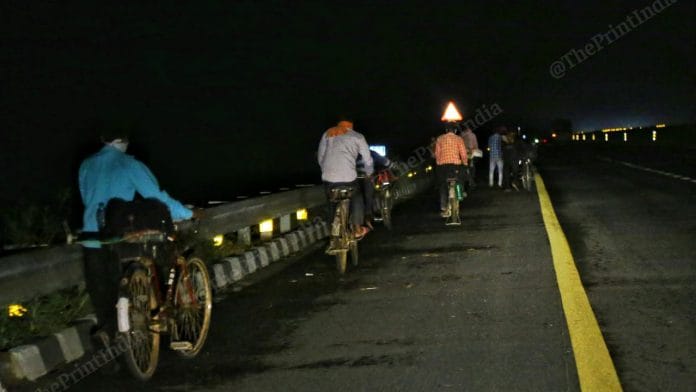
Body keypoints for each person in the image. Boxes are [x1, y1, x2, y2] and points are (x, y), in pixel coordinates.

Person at [79, 129, 193, 346]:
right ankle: (154, 315)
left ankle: (107, 335)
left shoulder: (86, 165)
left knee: (103, 297)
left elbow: (88, 198)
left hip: (91, 238)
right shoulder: (129, 164)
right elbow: (157, 198)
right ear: (125, 139)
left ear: (103, 139)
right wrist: (186, 213)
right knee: (148, 271)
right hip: (120, 238)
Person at [317, 119, 373, 239]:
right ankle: (357, 229)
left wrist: (326, 170)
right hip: (348, 178)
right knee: (357, 196)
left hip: (328, 177)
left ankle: (332, 228)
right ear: (351, 126)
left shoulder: (327, 133)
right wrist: (369, 173)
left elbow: (320, 156)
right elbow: (367, 159)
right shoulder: (357, 137)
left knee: (331, 200)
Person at [434, 123, 468, 217]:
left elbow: (437, 154)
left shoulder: (440, 139)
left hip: (443, 166)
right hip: (455, 166)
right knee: (459, 179)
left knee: (443, 185)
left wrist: (438, 163)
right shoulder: (459, 139)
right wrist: (465, 163)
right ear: (455, 131)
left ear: (446, 130)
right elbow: (463, 154)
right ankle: (460, 194)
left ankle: (444, 206)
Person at [357, 149, 392, 226]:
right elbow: (384, 161)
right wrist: (391, 164)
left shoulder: (350, 153)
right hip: (366, 178)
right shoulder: (370, 152)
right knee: (369, 195)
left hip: (352, 179)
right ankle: (368, 216)